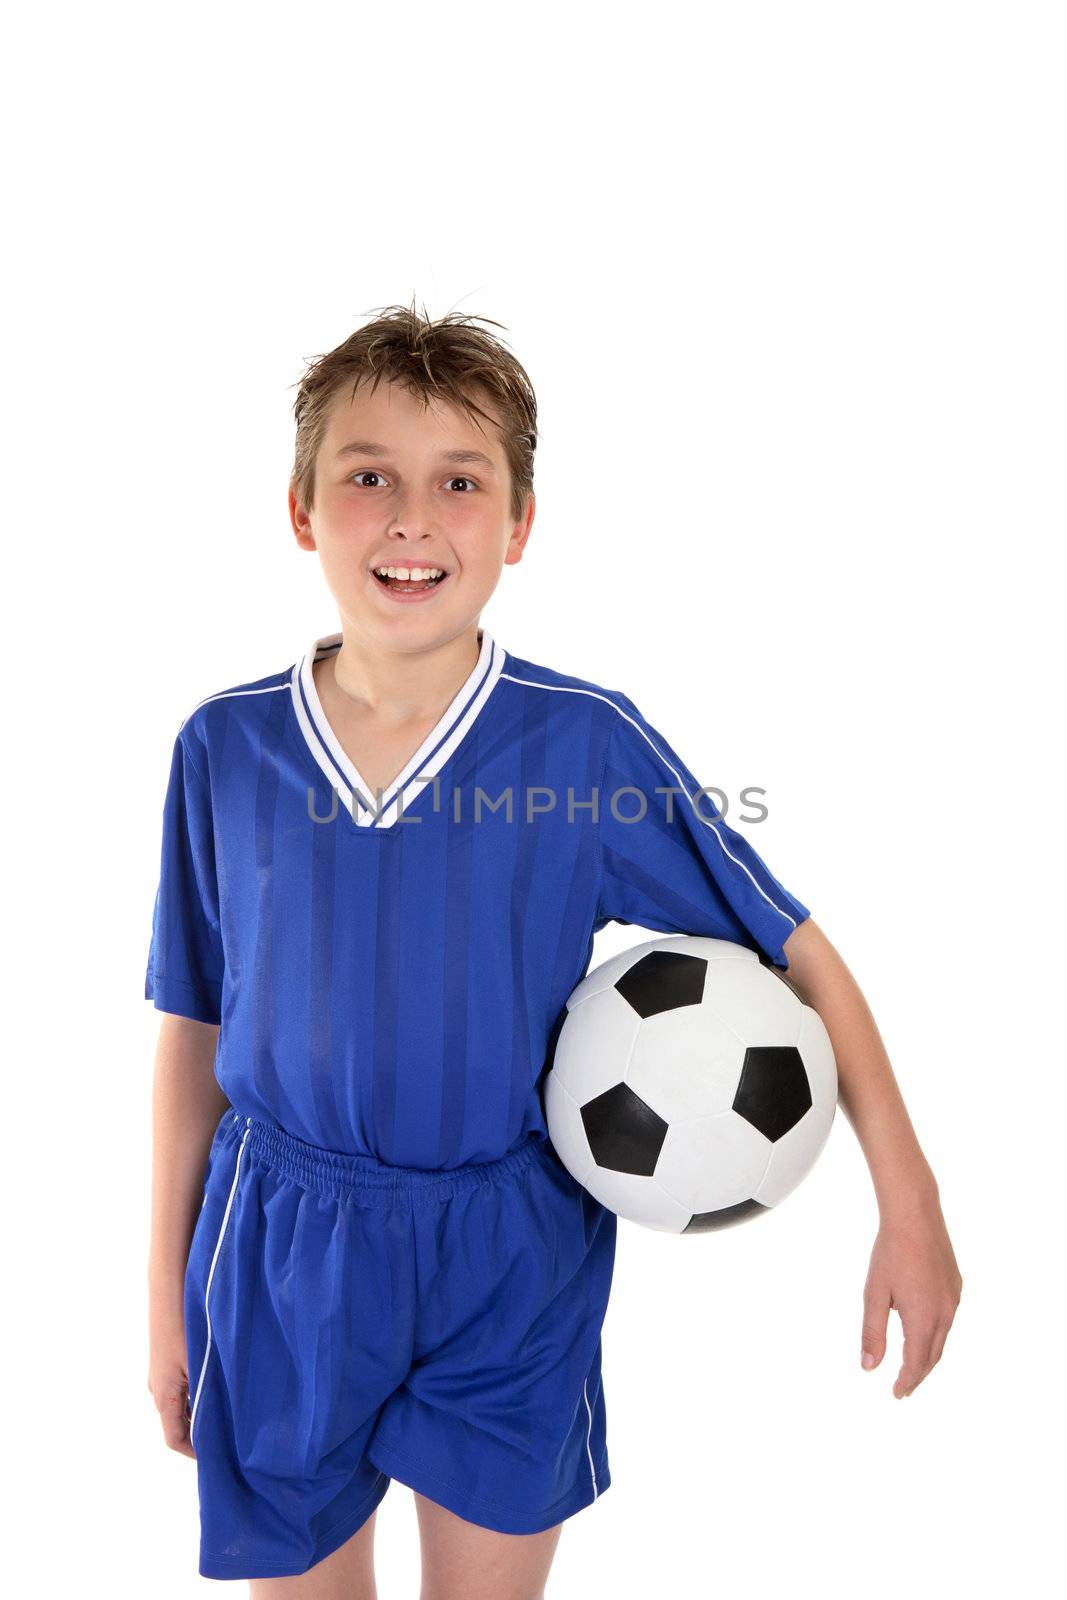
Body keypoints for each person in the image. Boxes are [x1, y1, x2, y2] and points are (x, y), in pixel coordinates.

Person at [145, 302, 963, 1598]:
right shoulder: (224, 749)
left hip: (510, 1252)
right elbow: (193, 1027)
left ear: (519, 523)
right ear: (302, 510)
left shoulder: (579, 749)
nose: (412, 518)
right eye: (368, 478)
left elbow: (797, 947)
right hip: (287, 1253)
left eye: (459, 483)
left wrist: (907, 1203)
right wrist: (165, 1292)